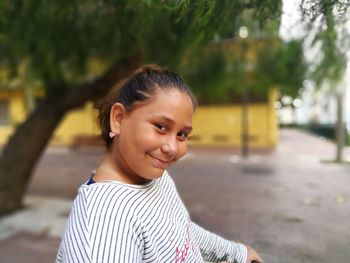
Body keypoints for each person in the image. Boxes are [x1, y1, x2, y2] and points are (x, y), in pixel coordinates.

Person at [56, 64, 263, 263]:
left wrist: (237, 253)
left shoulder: (153, 175)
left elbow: (181, 232)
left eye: (182, 134)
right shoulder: (104, 222)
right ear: (118, 119)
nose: (172, 148)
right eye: (161, 127)